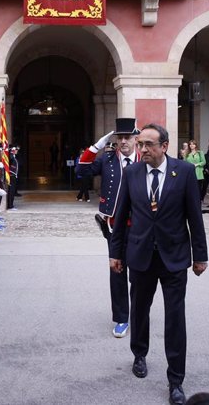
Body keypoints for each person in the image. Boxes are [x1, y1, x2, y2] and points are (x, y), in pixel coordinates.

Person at [109, 123, 208, 405]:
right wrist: (115, 254)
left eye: (148, 145)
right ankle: (139, 354)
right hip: (140, 255)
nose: (142, 150)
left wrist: (200, 255)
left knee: (175, 318)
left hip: (174, 257)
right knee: (139, 310)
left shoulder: (184, 172)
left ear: (164, 146)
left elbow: (194, 217)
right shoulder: (132, 173)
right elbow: (121, 215)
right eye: (140, 145)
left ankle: (175, 379)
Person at [75, 117, 140, 339]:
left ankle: (138, 313)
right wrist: (95, 148)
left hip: (142, 226)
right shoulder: (108, 159)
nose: (123, 141)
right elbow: (81, 171)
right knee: (118, 270)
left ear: (135, 138)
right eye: (119, 138)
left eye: (127, 137)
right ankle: (122, 317)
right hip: (115, 225)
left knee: (140, 273)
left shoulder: (145, 159)